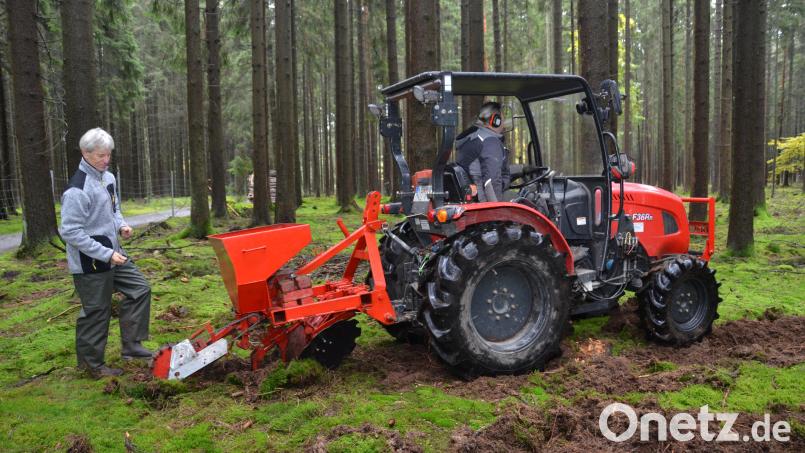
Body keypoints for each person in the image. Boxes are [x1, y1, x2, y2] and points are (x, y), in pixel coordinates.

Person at [60, 128, 152, 378]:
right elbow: (70, 232)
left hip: (114, 255)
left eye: (108, 154)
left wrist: (121, 225)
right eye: (101, 155)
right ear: (85, 153)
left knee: (140, 289)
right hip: (89, 263)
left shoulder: (108, 178)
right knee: (97, 311)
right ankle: (91, 366)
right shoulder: (77, 190)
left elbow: (114, 209)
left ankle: (132, 346)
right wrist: (105, 253)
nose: (106, 160)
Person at [455, 101, 510, 202]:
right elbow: (492, 182)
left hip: (471, 200)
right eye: (502, 119)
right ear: (495, 120)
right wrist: (497, 209)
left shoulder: (472, 137)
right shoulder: (490, 142)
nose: (504, 123)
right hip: (484, 203)